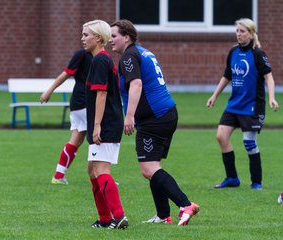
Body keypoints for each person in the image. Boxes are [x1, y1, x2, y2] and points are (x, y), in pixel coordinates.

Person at [110, 19, 199, 226]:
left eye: (114, 36)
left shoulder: (129, 56)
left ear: (127, 37)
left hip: (154, 119)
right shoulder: (143, 51)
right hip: (166, 113)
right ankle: (162, 215)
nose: (110, 40)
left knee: (148, 169)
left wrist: (129, 115)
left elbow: (137, 83)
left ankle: (185, 205)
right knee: (154, 166)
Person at [206, 18, 279, 190]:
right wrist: (214, 95)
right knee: (221, 136)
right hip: (234, 105)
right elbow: (227, 76)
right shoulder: (233, 52)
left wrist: (272, 98)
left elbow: (268, 76)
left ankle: (256, 182)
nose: (239, 34)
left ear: (251, 34)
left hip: (252, 106)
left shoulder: (258, 54)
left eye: (242, 31)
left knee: (249, 143)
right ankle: (232, 178)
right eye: (237, 31)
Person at [82, 19, 128, 229]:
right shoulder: (99, 60)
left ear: (98, 38)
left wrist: (97, 126)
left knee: (101, 170)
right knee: (92, 170)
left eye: (86, 35)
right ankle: (104, 219)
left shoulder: (101, 60)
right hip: (103, 122)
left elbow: (101, 94)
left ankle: (118, 217)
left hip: (106, 123)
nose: (82, 39)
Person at [40, 49, 92, 185]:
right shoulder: (82, 54)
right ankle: (102, 177)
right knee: (99, 139)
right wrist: (49, 91)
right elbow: (66, 73)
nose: (83, 38)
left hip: (78, 104)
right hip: (85, 103)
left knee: (76, 140)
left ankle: (58, 176)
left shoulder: (98, 56)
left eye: (86, 35)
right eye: (83, 35)